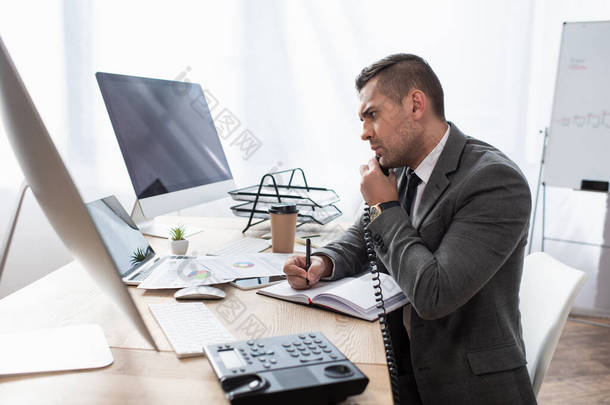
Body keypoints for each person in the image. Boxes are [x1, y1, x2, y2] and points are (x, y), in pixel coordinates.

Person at [283, 53, 536, 404]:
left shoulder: (494, 181)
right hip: (402, 365)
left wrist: (385, 207)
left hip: (463, 385)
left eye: (372, 115)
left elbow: (434, 295)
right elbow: (363, 235)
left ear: (416, 104)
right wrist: (323, 262)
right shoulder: (402, 166)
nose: (363, 132)